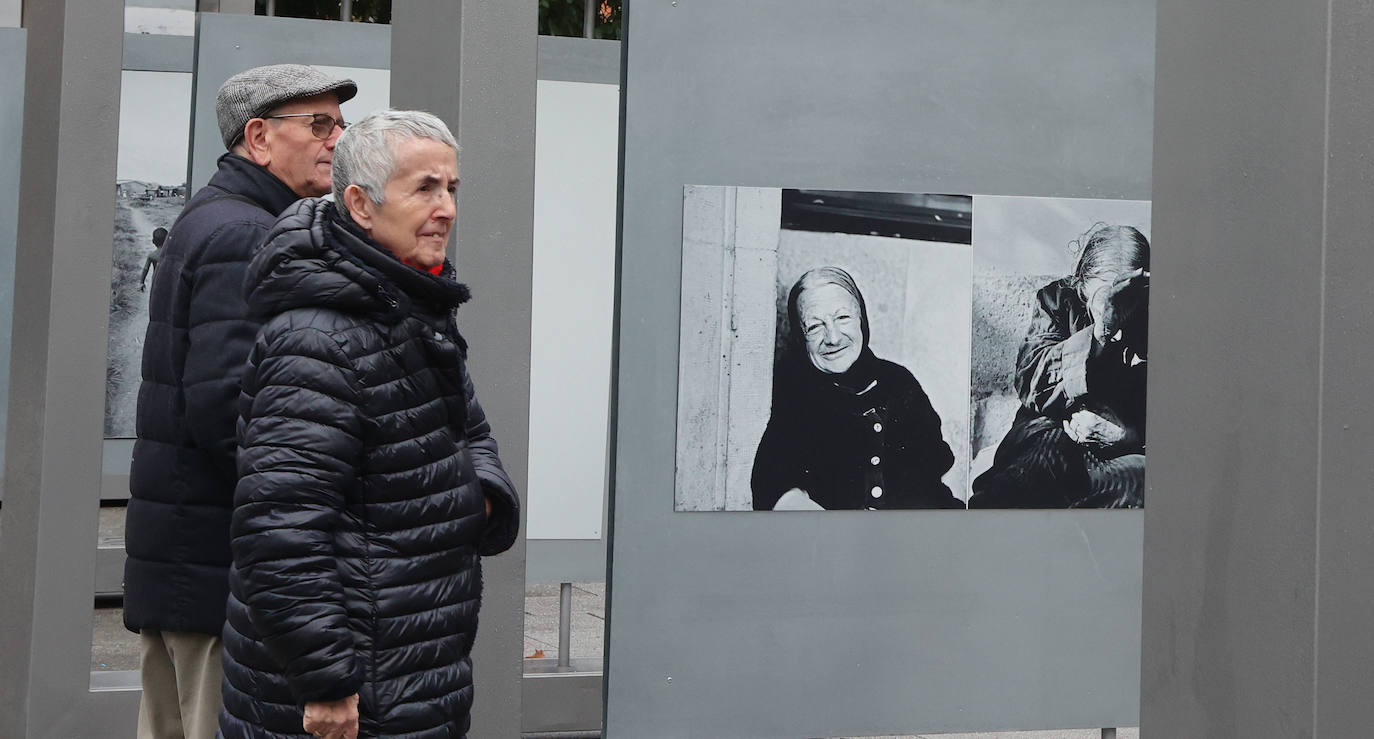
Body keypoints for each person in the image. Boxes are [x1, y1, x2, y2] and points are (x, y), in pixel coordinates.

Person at [217, 110, 521, 739]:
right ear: (358, 203)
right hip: (352, 690)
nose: (447, 209)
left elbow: (471, 433)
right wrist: (325, 681)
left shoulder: (412, 304)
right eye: (425, 189)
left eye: (452, 189)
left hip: (412, 664)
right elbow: (281, 531)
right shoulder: (315, 338)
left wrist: (478, 498)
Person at [123, 64, 358, 739]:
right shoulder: (247, 234)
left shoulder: (223, 217)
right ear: (259, 136)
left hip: (191, 567)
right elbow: (233, 409)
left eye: (339, 125)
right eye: (319, 124)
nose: (336, 141)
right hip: (220, 575)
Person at [968, 224, 1149, 509]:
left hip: (1124, 453)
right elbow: (1031, 381)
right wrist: (1101, 329)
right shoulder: (1057, 301)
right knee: (1041, 464)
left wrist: (1129, 435)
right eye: (1105, 295)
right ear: (1083, 282)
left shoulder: (1161, 319)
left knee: (1140, 483)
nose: (1118, 307)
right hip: (1053, 437)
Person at [751, 266, 962, 510]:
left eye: (843, 318)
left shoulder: (899, 382)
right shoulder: (795, 395)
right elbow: (775, 487)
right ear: (800, 336)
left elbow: (935, 474)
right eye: (815, 326)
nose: (833, 337)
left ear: (862, 319)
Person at [139, 226, 167, 291]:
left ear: (153, 241)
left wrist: (141, 282)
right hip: (171, 282)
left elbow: (145, 269)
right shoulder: (172, 254)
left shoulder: (152, 255)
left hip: (156, 282)